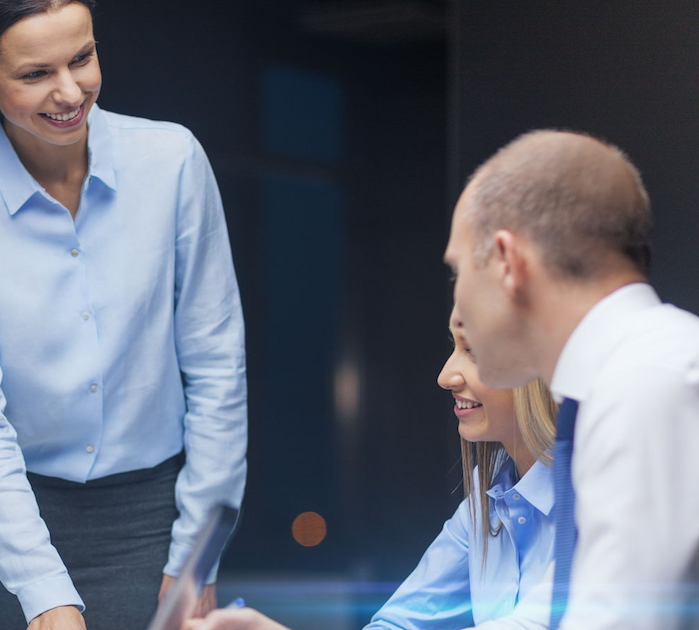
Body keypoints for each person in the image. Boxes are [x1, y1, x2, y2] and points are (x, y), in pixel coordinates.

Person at [0, 1, 248, 629]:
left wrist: (197, 552)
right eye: (35, 74)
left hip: (157, 521)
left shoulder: (173, 162)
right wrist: (42, 591)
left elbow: (217, 365)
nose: (71, 92)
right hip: (9, 524)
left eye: (82, 58)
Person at [442, 130, 699, 629]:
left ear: (507, 261)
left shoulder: (644, 386)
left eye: (458, 272)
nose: (458, 308)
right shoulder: (634, 376)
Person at [183, 308, 559, 630]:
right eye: (454, 347)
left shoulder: (589, 499)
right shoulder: (487, 499)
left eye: (473, 350)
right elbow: (397, 624)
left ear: (538, 361)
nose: (445, 376)